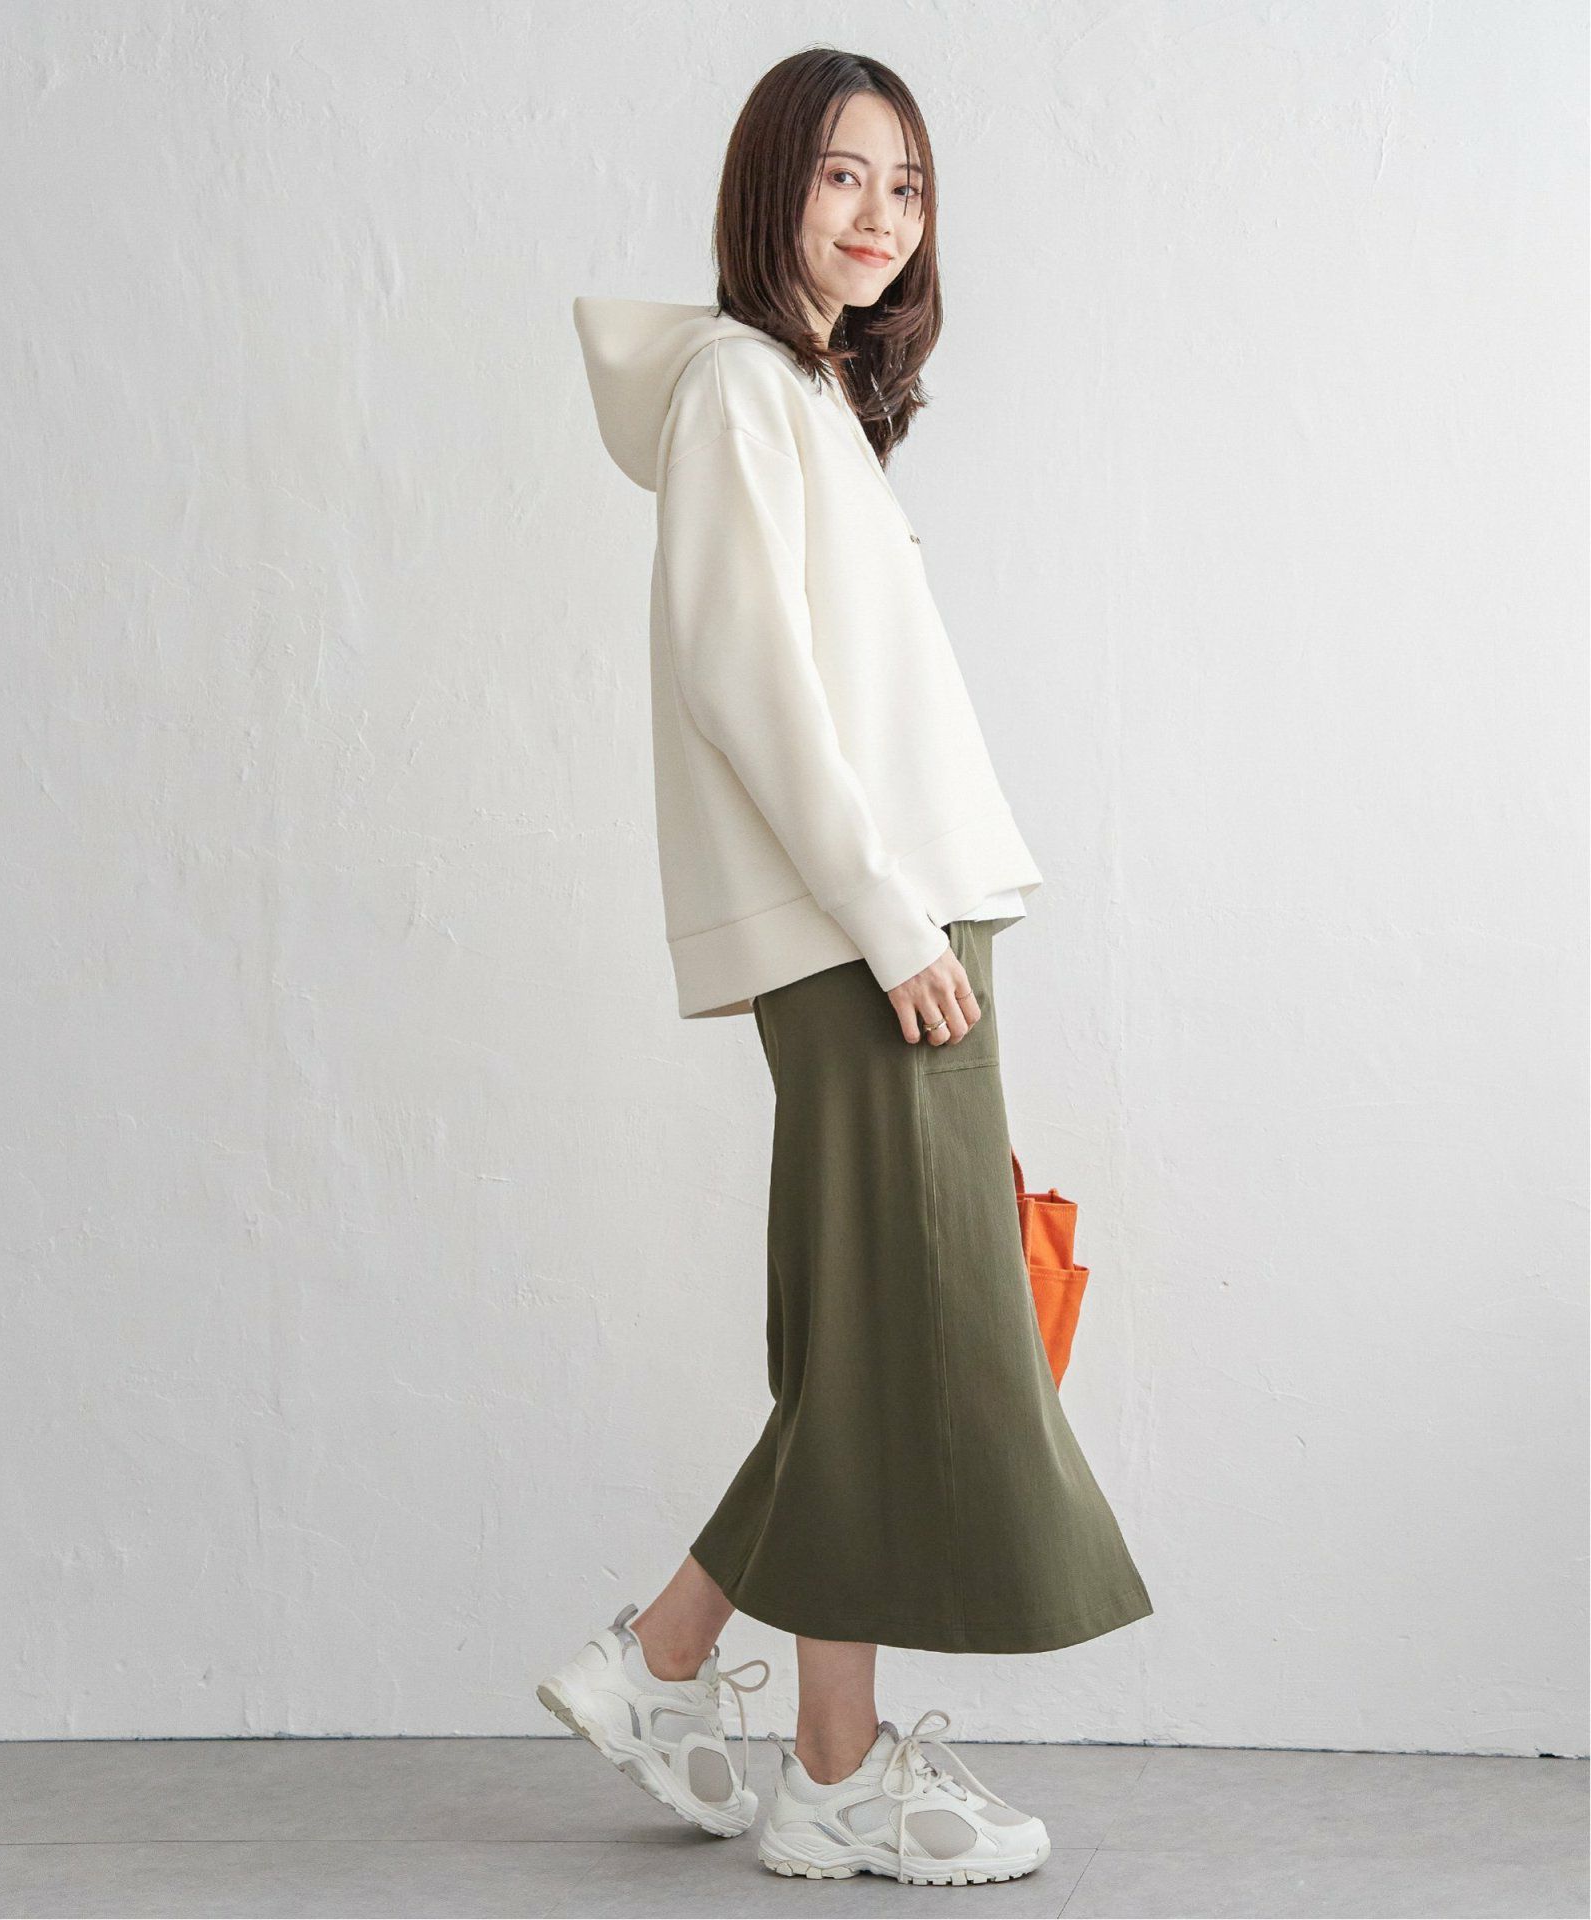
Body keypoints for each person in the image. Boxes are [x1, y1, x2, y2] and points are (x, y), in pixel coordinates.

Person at [539, 46, 1152, 1890]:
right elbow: (748, 676)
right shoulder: (744, 385)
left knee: (873, 1333)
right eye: (840, 176)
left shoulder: (804, 394)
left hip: (894, 920)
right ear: (769, 190)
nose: (880, 214)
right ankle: (820, 1764)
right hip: (871, 930)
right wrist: (893, 923)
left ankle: (671, 1670)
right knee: (898, 1337)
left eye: (908, 185)